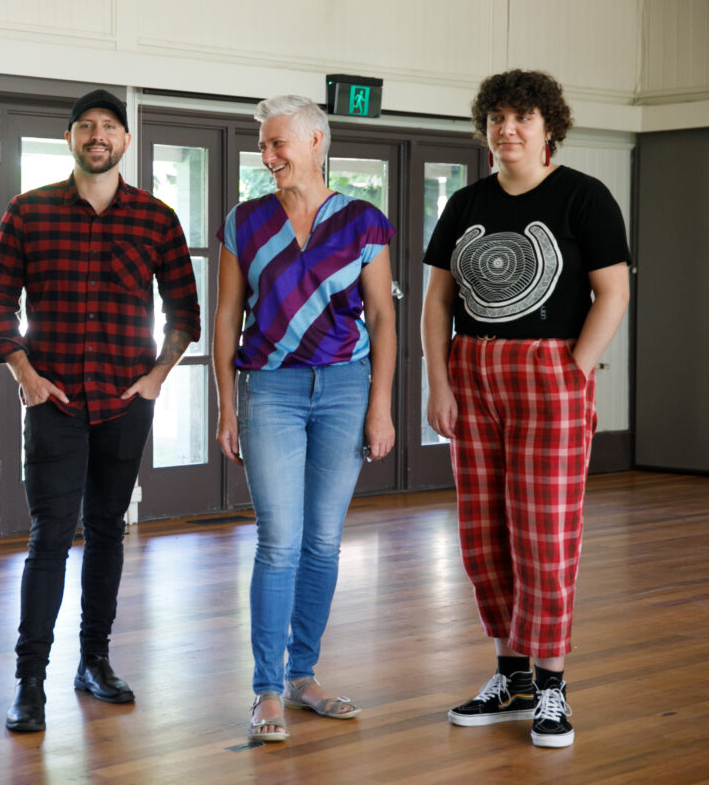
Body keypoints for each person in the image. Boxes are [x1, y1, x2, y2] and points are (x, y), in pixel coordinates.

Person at [422, 70, 630, 749]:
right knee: (484, 533)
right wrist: (440, 384)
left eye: (522, 118)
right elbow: (437, 303)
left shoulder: (583, 197)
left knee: (543, 536)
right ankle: (509, 678)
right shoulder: (465, 202)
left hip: (551, 375)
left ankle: (550, 688)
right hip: (472, 372)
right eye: (496, 119)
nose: (507, 130)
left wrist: (572, 373)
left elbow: (613, 293)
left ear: (549, 128)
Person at [0, 89, 201, 733]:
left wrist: (158, 376)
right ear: (71, 139)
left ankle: (95, 661)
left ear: (125, 141)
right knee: (48, 537)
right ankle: (29, 683)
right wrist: (24, 372)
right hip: (52, 399)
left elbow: (184, 312)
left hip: (123, 400)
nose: (97, 136)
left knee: (108, 531)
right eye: (85, 127)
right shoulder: (29, 211)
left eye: (109, 127)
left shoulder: (157, 219)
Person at [213, 95, 397, 743]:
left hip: (346, 389)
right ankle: (266, 688)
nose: (267, 157)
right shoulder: (244, 222)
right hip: (271, 390)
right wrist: (226, 404)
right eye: (263, 146)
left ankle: (303, 676)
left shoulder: (364, 222)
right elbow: (227, 318)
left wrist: (380, 404)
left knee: (322, 541)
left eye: (277, 145)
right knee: (280, 541)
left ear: (315, 143)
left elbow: (381, 318)